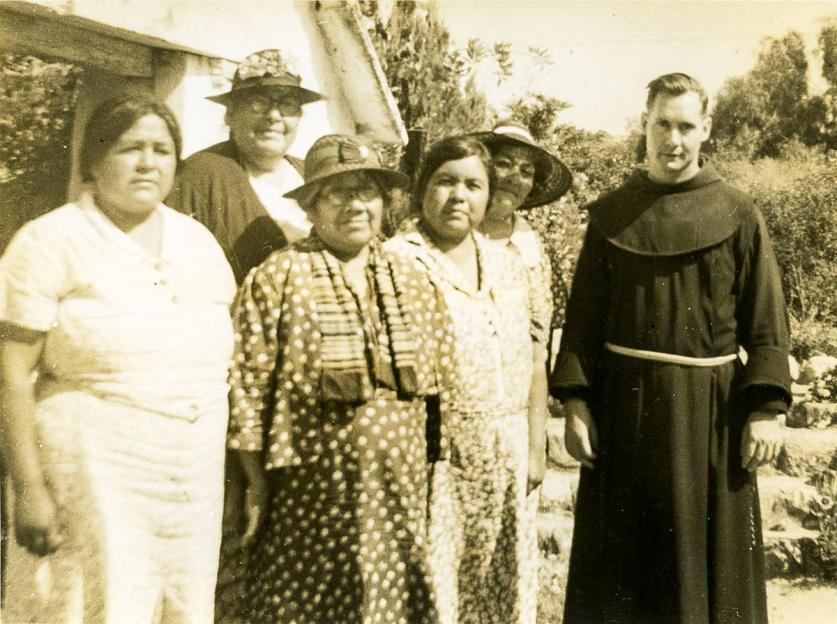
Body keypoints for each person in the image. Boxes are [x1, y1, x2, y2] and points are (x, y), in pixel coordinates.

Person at [550, 72, 791, 624]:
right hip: (623, 418)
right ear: (645, 124)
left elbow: (766, 322)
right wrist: (577, 404)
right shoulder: (610, 215)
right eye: (663, 124)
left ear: (706, 129)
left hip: (709, 418)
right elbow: (582, 320)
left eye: (686, 126)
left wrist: (767, 409)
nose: (673, 140)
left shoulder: (739, 211)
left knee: (706, 571)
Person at [0, 94, 235, 623]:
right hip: (91, 472)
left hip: (189, 477)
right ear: (93, 160)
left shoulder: (197, 242)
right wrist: (29, 489)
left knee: (179, 605)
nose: (148, 163)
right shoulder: (49, 241)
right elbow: (12, 377)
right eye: (130, 148)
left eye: (162, 149)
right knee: (91, 602)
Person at [227, 134, 454, 624]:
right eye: (337, 192)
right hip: (310, 495)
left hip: (399, 492)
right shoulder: (278, 277)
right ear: (312, 204)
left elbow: (439, 392)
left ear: (383, 202)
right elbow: (248, 388)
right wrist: (255, 485)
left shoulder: (413, 277)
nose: (355, 204)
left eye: (366, 191)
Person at [387, 136, 541, 624]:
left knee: (504, 592)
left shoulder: (506, 261)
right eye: (446, 181)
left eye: (474, 184)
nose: (459, 195)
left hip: (508, 456)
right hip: (436, 462)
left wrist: (535, 444)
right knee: (437, 594)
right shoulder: (397, 260)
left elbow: (536, 356)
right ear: (422, 189)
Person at [474, 119, 573, 493]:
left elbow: (538, 352)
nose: (514, 177)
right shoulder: (446, 233)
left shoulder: (532, 248)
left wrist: (536, 445)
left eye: (526, 170)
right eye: (504, 164)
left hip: (512, 416)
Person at [167, 48, 324, 284]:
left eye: (288, 104)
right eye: (258, 103)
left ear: (299, 116)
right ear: (229, 115)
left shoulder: (313, 173)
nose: (274, 115)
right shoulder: (200, 174)